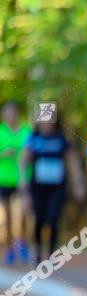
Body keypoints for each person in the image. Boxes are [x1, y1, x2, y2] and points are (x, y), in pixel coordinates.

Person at [17, 112, 87, 265]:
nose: (47, 124)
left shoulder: (60, 138)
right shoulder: (33, 138)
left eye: (50, 121)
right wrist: (22, 181)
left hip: (57, 187)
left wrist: (78, 182)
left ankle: (51, 252)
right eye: (44, 121)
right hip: (37, 187)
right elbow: (23, 160)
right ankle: (37, 249)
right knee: (39, 219)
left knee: (53, 218)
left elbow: (72, 160)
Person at [0, 101, 31, 265]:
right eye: (7, 112)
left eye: (12, 111)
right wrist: (4, 153)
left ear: (17, 113)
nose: (10, 115)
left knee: (25, 212)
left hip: (23, 178)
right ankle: (10, 249)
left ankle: (23, 242)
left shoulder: (26, 131)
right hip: (4, 178)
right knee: (8, 216)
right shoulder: (0, 132)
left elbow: (33, 151)